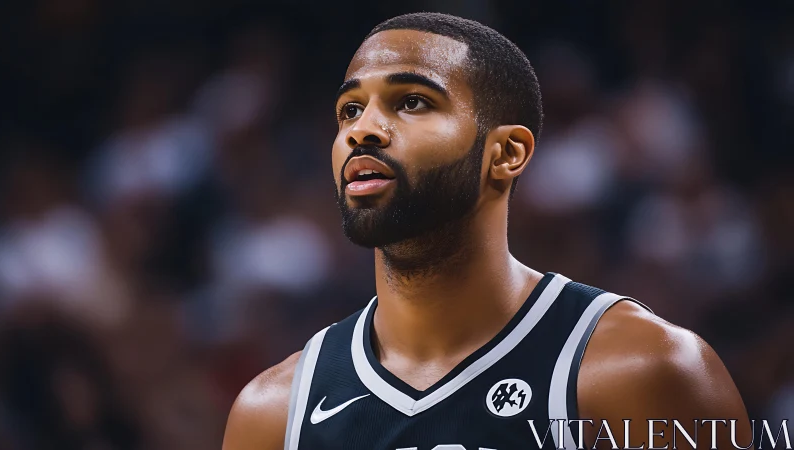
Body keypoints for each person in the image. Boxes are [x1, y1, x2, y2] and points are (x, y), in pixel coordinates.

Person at [222, 12, 752, 450]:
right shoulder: (272, 413)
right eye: (349, 110)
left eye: (412, 102)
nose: (361, 129)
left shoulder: (643, 370)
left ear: (506, 153)